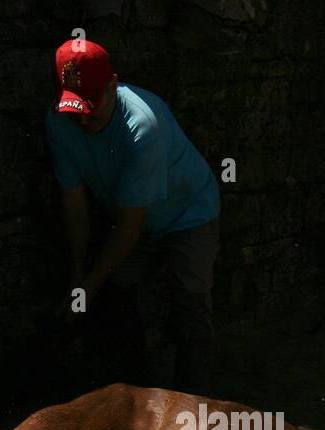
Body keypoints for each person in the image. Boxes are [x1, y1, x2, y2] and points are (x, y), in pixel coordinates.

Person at [45, 39, 220, 393]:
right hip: (137, 218)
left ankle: (195, 407)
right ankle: (135, 398)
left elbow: (129, 228)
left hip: (189, 212)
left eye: (92, 105)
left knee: (191, 300)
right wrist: (79, 275)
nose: (84, 117)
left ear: (113, 86)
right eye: (75, 107)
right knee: (119, 293)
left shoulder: (143, 127)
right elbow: (74, 202)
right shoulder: (59, 123)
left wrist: (88, 284)